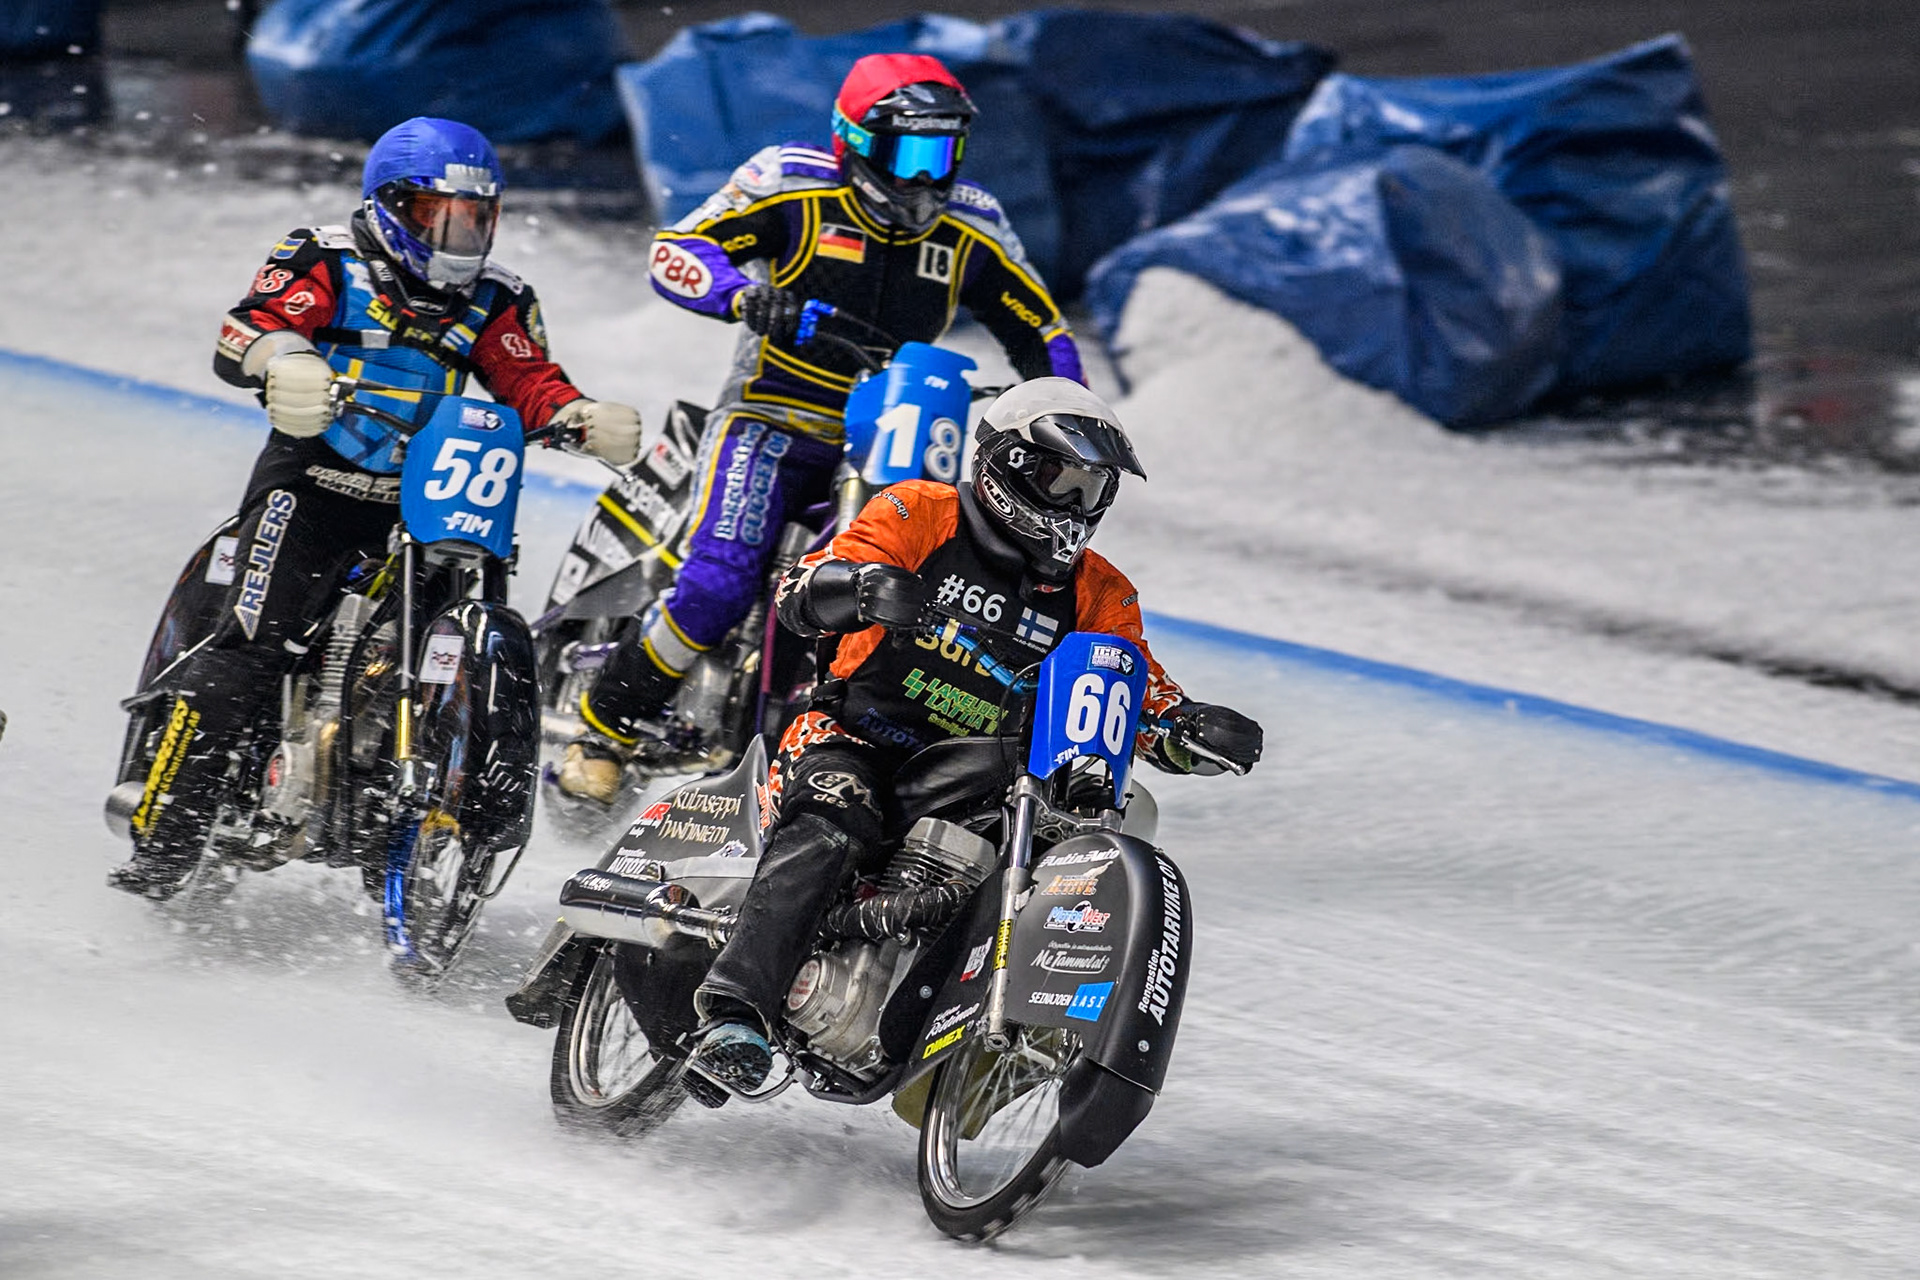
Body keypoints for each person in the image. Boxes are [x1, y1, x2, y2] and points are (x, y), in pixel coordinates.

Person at [108, 116, 642, 899]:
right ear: (390, 207)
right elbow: (251, 326)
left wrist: (577, 414)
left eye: (474, 218)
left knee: (440, 642)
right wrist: (283, 359)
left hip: (428, 502)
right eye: (438, 216)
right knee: (253, 646)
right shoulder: (323, 258)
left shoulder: (498, 297)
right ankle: (166, 834)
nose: (459, 236)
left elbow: (526, 377)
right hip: (314, 483)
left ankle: (415, 796)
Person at [684, 378, 1265, 1091]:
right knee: (834, 818)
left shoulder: (1101, 591)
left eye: (1093, 490)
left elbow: (1128, 675)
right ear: (1007, 465)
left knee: (1086, 829)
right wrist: (857, 587)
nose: (1077, 506)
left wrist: (1181, 724)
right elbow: (804, 586)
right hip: (854, 736)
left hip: (986, 770)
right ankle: (734, 1013)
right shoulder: (919, 510)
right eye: (1063, 481)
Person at [558, 52, 1087, 804]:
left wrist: (1058, 407)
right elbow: (678, 251)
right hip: (770, 417)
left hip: (902, 431)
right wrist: (742, 295)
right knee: (719, 580)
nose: (925, 178)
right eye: (909, 154)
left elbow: (1043, 329)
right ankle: (603, 728)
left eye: (942, 155)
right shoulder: (790, 182)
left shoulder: (975, 224)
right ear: (856, 143)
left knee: (931, 591)